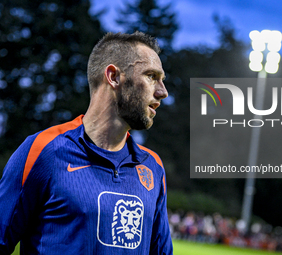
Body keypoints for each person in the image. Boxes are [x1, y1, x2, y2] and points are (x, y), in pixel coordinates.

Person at [0, 31, 173, 255]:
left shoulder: (153, 168)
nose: (163, 92)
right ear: (113, 77)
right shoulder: (43, 150)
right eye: (151, 76)